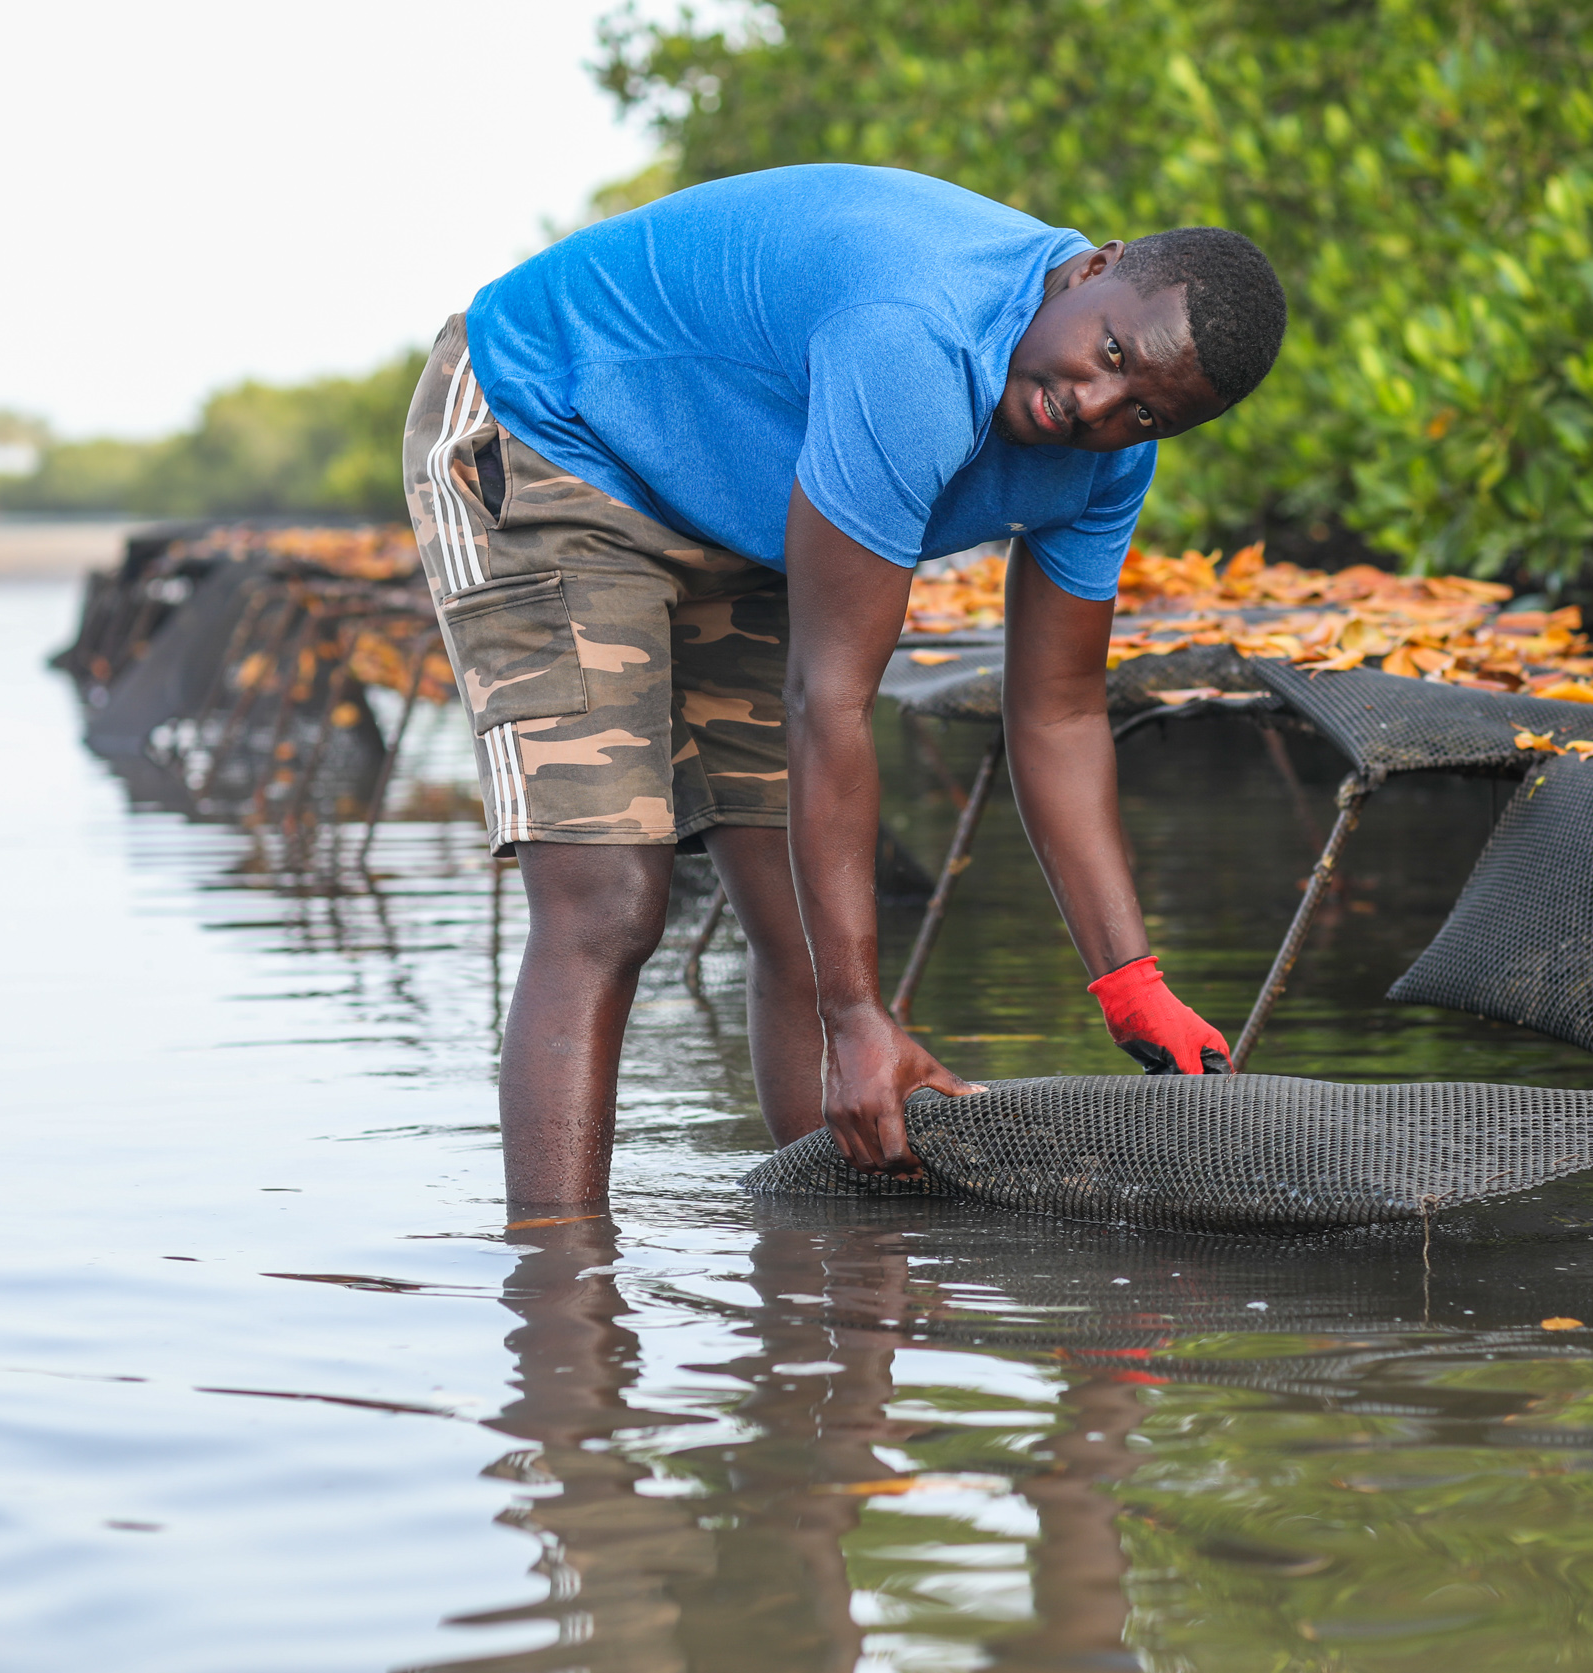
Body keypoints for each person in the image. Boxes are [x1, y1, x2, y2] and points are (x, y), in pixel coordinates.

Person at [401, 164, 1288, 1209]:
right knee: (610, 898)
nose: (1090, 407)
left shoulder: (1105, 463)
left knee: (794, 909)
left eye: (1141, 412)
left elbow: (1056, 713)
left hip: (737, 496)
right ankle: (561, 1301)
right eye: (1107, 355)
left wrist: (1132, 985)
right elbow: (831, 699)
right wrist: (859, 1019)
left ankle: (829, 1280)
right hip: (547, 422)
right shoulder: (921, 341)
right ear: (1092, 270)